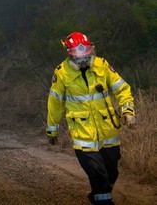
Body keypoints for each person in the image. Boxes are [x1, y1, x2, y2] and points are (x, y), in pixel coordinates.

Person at [46, 32, 136, 204]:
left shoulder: (102, 65)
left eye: (86, 52)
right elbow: (55, 104)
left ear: (91, 49)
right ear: (69, 53)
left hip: (109, 132)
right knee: (99, 177)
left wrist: (128, 111)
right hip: (83, 137)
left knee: (112, 173)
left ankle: (97, 196)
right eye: (78, 54)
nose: (83, 58)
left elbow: (122, 89)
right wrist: (52, 130)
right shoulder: (62, 73)